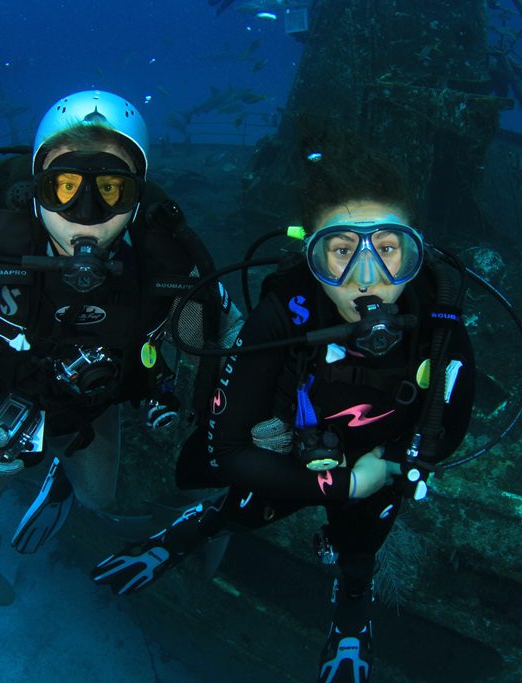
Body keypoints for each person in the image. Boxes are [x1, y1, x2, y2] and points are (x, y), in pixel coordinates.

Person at [92, 147, 476, 682]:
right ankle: (203, 522)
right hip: (298, 449)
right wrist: (340, 482)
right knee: (247, 507)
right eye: (341, 252)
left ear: (415, 254)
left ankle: (352, 607)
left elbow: (446, 433)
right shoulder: (284, 312)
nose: (368, 278)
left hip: (382, 459)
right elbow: (225, 450)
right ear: (311, 260)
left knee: (361, 541)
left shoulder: (439, 315)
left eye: (389, 249)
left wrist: (383, 468)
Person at [0, 90, 241, 636]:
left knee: (101, 496)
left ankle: (62, 479)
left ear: (138, 198)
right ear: (36, 188)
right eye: (67, 187)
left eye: (111, 190)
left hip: (98, 402)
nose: (87, 216)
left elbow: (229, 334)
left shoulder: (166, 264)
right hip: (9, 404)